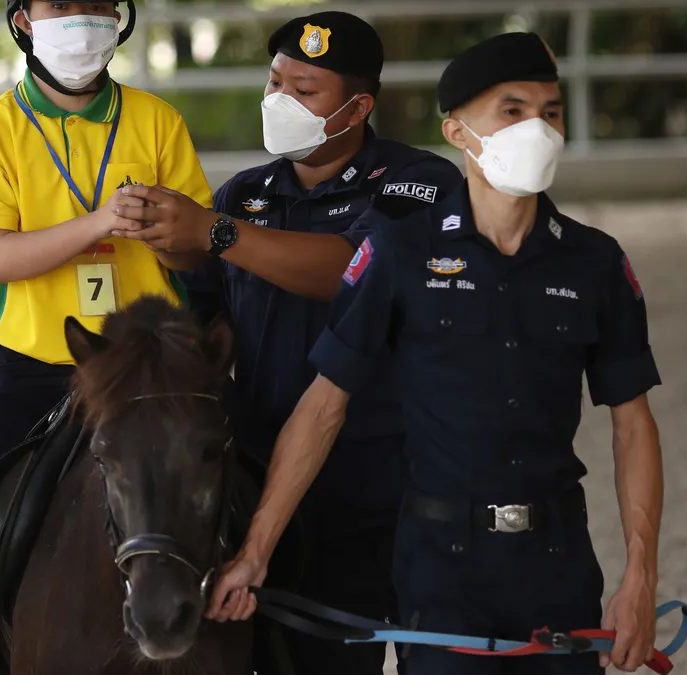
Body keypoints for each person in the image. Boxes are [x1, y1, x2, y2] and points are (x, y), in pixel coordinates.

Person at [206, 31, 665, 675]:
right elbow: (323, 406)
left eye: (551, 111)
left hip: (557, 561)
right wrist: (256, 551)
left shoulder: (597, 263)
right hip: (440, 563)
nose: (537, 128)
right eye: (512, 111)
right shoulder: (399, 254)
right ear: (457, 132)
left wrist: (640, 575)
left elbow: (633, 424)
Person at [108, 10, 463, 674]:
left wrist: (215, 234)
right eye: (277, 82)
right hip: (282, 498)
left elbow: (354, 271)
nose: (282, 101)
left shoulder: (422, 184)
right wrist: (167, 249)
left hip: (406, 493)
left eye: (306, 91)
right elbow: (200, 335)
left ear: (358, 107)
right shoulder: (244, 196)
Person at [0, 1, 214, 672]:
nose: (84, 17)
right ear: (23, 22)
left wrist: (171, 228)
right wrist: (101, 220)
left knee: (258, 487)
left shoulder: (157, 119)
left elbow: (194, 255)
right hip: (37, 366)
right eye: (62, 5)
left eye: (100, 4)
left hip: (150, 365)